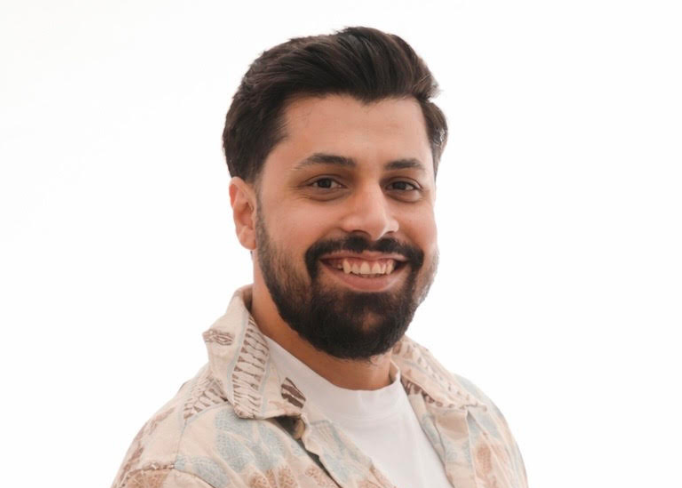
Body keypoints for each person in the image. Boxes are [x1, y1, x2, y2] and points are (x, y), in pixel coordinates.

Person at [111, 26, 527, 488]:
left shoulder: (476, 420)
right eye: (326, 183)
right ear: (247, 214)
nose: (376, 221)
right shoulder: (190, 470)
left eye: (402, 186)